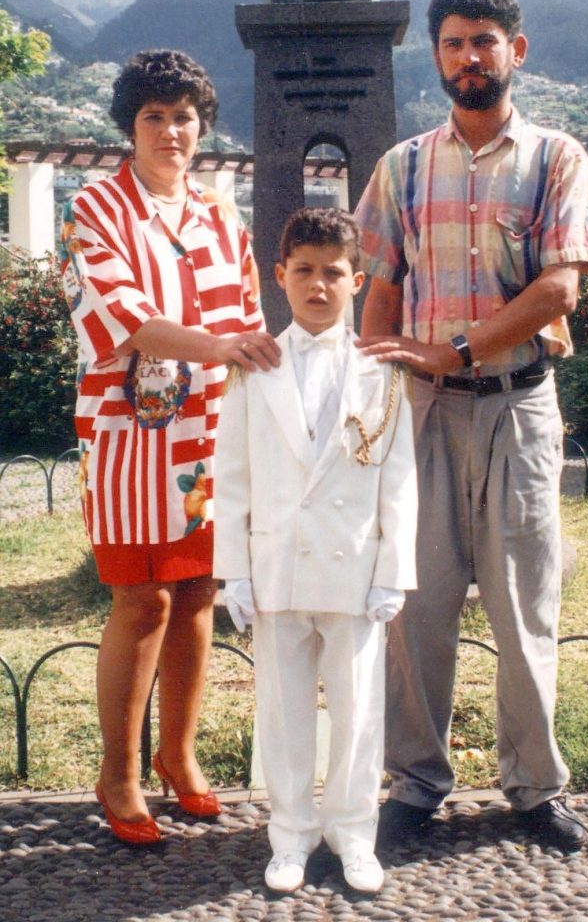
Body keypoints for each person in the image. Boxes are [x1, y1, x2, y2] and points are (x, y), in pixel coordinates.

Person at [354, 0, 588, 851]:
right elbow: (380, 288)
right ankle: (415, 781)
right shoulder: (402, 166)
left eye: (485, 41)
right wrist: (376, 393)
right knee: (412, 605)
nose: (470, 56)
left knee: (520, 604)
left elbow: (559, 286)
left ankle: (534, 786)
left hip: (514, 408)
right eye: (454, 42)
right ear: (436, 57)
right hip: (421, 415)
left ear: (517, 51)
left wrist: (455, 349)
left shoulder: (555, 158)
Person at [61, 49, 280, 845]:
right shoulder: (94, 207)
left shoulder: (220, 215)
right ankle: (117, 772)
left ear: (201, 124)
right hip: (126, 433)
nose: (170, 130)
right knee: (141, 598)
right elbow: (121, 318)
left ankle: (177, 757)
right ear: (131, 125)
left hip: (209, 432)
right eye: (153, 116)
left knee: (196, 595)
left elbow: (249, 310)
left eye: (183, 115)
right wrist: (221, 347)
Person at [213, 208, 417, 893]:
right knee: (283, 707)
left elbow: (398, 480)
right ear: (280, 276)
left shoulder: (379, 370)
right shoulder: (253, 366)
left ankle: (354, 833)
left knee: (359, 711)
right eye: (303, 270)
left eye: (333, 272)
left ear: (356, 280)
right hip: (277, 565)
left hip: (352, 567)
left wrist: (393, 572)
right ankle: (291, 832)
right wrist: (232, 573)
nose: (318, 285)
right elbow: (233, 476)